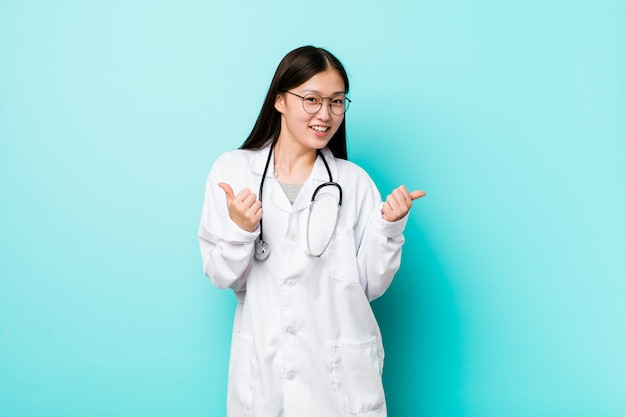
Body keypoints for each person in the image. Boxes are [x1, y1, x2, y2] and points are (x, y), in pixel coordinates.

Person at [198, 45, 425, 417]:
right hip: (267, 373)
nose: (326, 114)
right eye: (312, 100)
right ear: (279, 101)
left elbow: (370, 285)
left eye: (337, 102)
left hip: (339, 383)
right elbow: (224, 277)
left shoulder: (352, 183)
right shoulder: (233, 172)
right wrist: (241, 231)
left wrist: (389, 227)